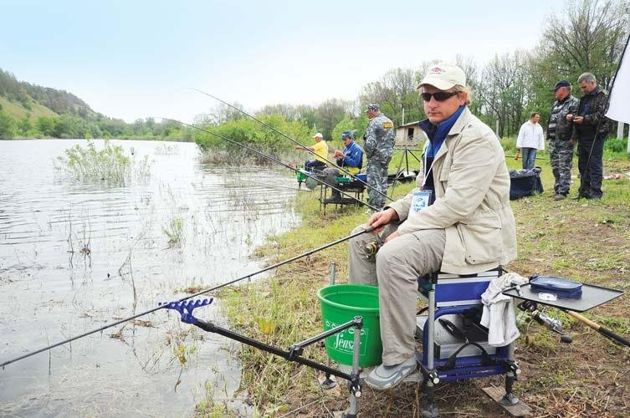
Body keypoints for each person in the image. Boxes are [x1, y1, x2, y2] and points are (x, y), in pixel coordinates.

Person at [346, 63, 517, 390]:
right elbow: (424, 192)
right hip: (442, 225)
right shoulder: (434, 138)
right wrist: (395, 211)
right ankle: (377, 333)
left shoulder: (477, 139)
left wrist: (406, 230)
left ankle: (399, 358)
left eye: (441, 95)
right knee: (361, 238)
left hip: (472, 235)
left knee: (394, 255)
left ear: (462, 97)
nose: (431, 102)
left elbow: (457, 205)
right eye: (427, 95)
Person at [569, 72, 610, 199]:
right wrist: (573, 117)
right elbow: (580, 112)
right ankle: (584, 191)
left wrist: (585, 119)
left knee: (594, 164)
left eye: (584, 87)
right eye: (581, 87)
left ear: (592, 83)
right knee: (583, 164)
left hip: (596, 134)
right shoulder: (584, 98)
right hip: (583, 135)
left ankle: (596, 192)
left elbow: (602, 115)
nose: (582, 90)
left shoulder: (602, 96)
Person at [547, 80, 579, 200]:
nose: (554, 92)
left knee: (564, 166)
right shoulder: (555, 104)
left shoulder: (574, 103)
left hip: (566, 141)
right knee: (555, 166)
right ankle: (557, 188)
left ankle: (563, 191)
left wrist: (574, 139)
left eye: (556, 90)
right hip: (553, 141)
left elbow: (577, 122)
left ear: (564, 89)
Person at [365, 104, 395, 210]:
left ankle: (374, 206)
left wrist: (368, 154)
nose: (367, 114)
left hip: (376, 156)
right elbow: (392, 139)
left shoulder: (374, 122)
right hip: (387, 155)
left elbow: (370, 142)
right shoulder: (389, 122)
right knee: (383, 178)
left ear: (373, 111)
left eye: (368, 112)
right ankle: (382, 203)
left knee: (374, 180)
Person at [322, 130, 364, 203]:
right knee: (326, 171)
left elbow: (355, 163)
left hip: (352, 176)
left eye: (345, 139)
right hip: (345, 172)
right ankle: (335, 195)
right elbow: (341, 164)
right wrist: (339, 159)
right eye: (343, 140)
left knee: (333, 177)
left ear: (350, 138)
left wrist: (344, 156)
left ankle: (336, 196)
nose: (344, 141)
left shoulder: (357, 148)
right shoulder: (346, 149)